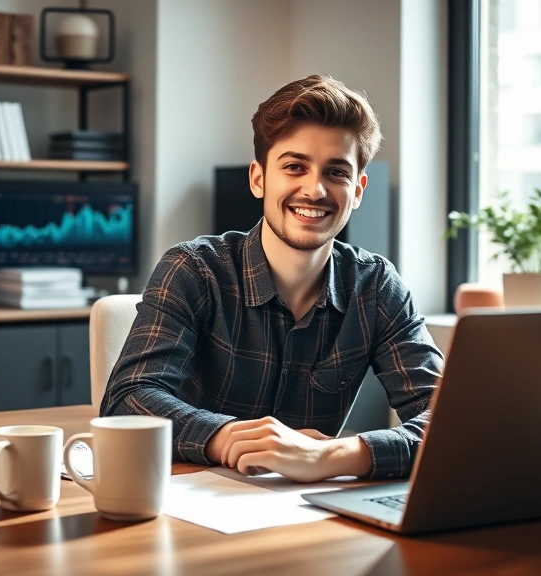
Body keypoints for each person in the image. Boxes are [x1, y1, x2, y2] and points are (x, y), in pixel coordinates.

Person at [101, 75, 444, 482]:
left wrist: (333, 455)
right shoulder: (193, 270)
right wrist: (228, 437)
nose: (315, 190)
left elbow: (451, 422)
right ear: (259, 178)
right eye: (295, 166)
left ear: (357, 191)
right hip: (190, 506)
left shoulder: (376, 287)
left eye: (336, 172)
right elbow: (127, 399)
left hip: (311, 517)